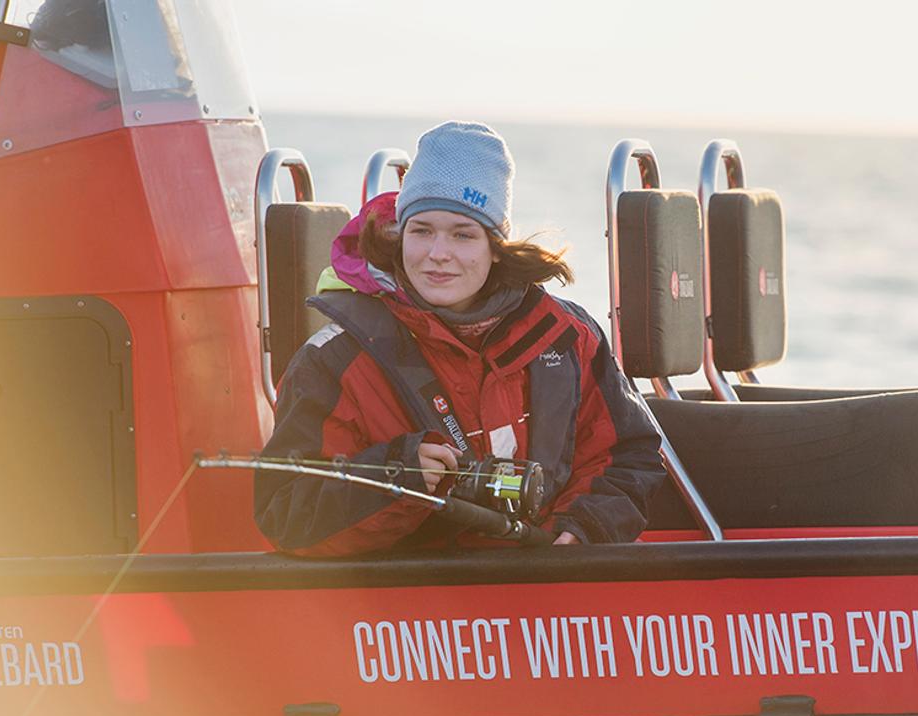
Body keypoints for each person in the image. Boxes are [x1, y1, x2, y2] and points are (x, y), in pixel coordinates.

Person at [254, 121, 665, 555]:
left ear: (496, 245)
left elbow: (629, 456)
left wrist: (584, 527)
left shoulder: (567, 337)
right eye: (422, 230)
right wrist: (395, 476)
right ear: (399, 237)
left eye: (463, 234)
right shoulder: (333, 360)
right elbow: (285, 513)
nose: (438, 254)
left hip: (549, 602)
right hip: (409, 614)